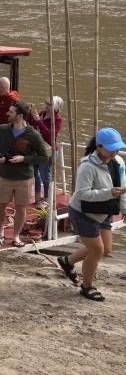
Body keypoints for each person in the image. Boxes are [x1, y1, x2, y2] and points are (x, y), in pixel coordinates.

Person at [57, 128, 126, 301]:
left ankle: (67, 261)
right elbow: (80, 194)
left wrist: (124, 209)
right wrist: (109, 192)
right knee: (96, 250)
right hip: (84, 212)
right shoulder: (87, 167)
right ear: (99, 146)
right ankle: (87, 287)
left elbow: (123, 187)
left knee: (105, 249)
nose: (115, 152)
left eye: (117, 148)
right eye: (111, 148)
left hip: (104, 211)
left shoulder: (118, 161)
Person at [0, 100, 49, 247]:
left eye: (11, 112)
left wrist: (24, 158)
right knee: (1, 206)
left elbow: (44, 156)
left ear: (20, 116)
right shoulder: (2, 129)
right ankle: (0, 231)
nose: (7, 113)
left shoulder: (33, 135)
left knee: (21, 208)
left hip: (24, 178)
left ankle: (16, 236)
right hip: (4, 176)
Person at [28, 97, 64, 201]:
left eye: (49, 104)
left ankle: (48, 197)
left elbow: (49, 135)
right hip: (37, 148)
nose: (46, 106)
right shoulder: (42, 113)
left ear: (56, 107)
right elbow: (33, 127)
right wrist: (31, 116)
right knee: (34, 171)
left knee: (44, 174)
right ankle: (37, 193)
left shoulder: (58, 119)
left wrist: (38, 121)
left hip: (48, 150)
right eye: (46, 103)